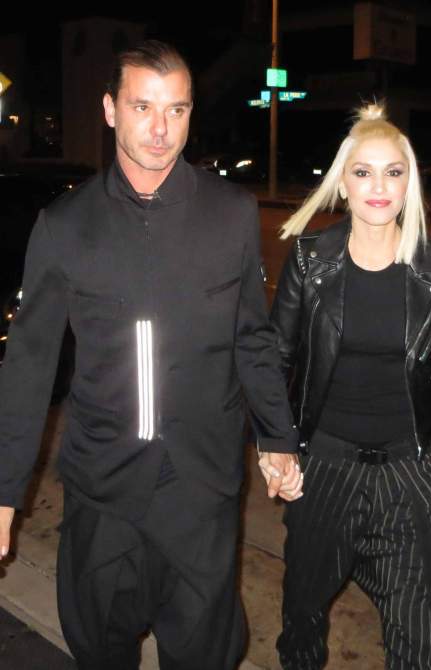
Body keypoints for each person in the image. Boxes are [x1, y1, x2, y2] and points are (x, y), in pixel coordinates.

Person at [0, 40, 302, 670]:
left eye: (176, 110)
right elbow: (27, 365)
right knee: (99, 649)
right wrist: (3, 492)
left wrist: (277, 435)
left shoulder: (231, 214)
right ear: (111, 109)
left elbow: (252, 336)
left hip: (202, 493)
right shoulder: (65, 225)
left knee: (204, 654)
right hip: (103, 496)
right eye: (143, 107)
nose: (161, 129)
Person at [271, 103, 431, 670]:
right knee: (302, 624)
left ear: (409, 183)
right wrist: (273, 444)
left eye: (393, 172)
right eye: (363, 172)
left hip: (409, 470)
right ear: (343, 182)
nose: (379, 186)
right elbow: (276, 358)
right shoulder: (310, 261)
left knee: (420, 639)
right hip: (323, 470)